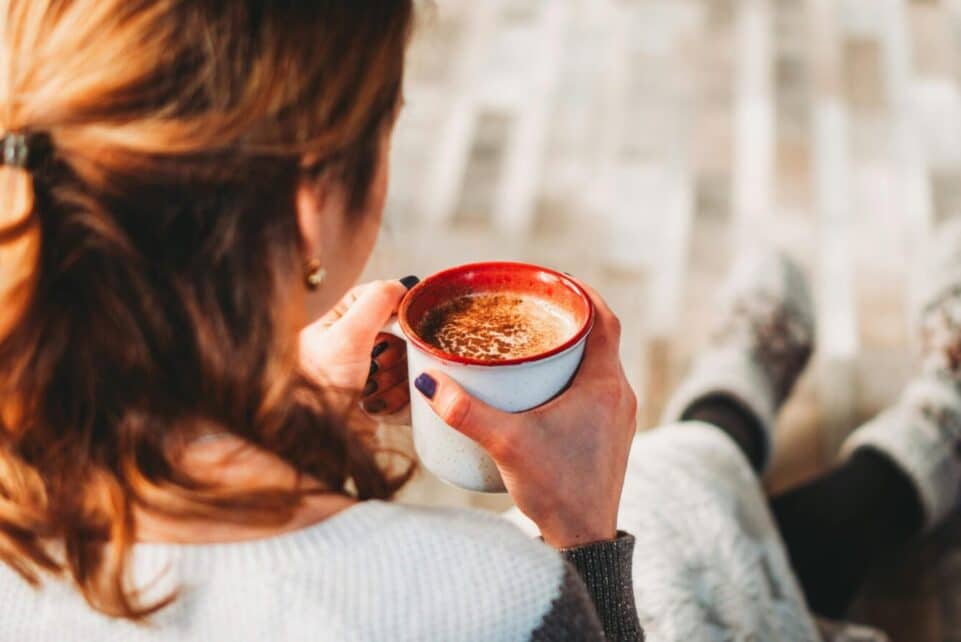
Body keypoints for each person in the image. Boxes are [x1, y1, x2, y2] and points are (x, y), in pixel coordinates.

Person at [0, 2, 955, 641]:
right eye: (387, 123)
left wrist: (284, 406)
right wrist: (580, 537)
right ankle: (849, 440)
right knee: (668, 491)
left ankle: (787, 421)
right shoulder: (487, 597)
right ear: (309, 206)